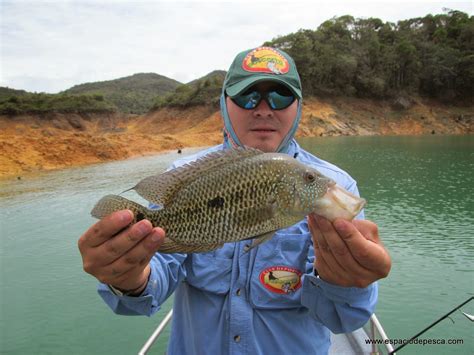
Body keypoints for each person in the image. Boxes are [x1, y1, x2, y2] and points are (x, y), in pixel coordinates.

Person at [78, 46, 391, 354]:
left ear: (299, 107)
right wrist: (129, 277)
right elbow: (157, 270)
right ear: (224, 104)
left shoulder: (334, 185)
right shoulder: (186, 176)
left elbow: (344, 318)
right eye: (247, 96)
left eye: (281, 97)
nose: (264, 108)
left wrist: (345, 284)